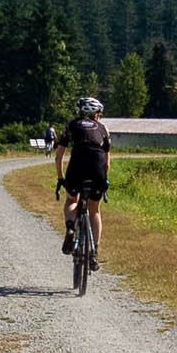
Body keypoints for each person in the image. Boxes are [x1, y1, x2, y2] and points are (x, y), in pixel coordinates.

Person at [53, 94, 111, 251]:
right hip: (97, 171)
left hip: (77, 168)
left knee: (72, 201)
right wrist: (104, 180)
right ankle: (94, 252)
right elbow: (106, 162)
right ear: (97, 114)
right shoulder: (103, 129)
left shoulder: (72, 125)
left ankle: (71, 228)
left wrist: (61, 178)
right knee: (94, 210)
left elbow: (58, 157)